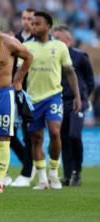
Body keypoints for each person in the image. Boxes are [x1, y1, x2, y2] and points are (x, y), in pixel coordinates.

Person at [22, 11, 81, 190]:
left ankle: (54, 174)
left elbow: (70, 71)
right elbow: (21, 73)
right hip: (33, 99)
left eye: (37, 23)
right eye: (33, 24)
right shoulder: (26, 46)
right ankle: (42, 179)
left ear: (48, 26)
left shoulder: (60, 46)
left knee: (55, 131)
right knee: (36, 138)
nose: (34, 27)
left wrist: (78, 96)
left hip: (54, 96)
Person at [0, 32, 32, 193]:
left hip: (3, 94)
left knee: (4, 136)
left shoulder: (9, 43)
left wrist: (18, 80)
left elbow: (28, 56)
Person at [51, 25, 95, 187]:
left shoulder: (80, 56)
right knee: (63, 137)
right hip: (60, 101)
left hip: (77, 102)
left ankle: (78, 172)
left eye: (58, 38)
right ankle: (67, 174)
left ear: (68, 40)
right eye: (53, 38)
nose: (54, 41)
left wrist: (83, 98)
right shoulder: (53, 56)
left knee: (74, 135)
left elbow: (90, 80)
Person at [11, 8, 36, 187]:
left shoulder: (38, 41)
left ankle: (27, 171)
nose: (26, 21)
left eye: (30, 19)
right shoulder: (14, 40)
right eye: (24, 18)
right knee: (8, 133)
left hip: (32, 92)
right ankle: (29, 162)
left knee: (29, 134)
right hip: (13, 91)